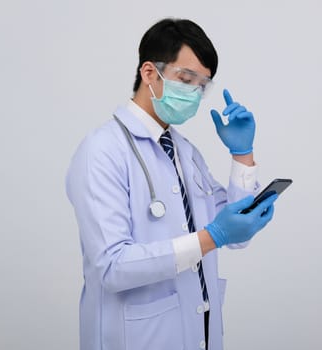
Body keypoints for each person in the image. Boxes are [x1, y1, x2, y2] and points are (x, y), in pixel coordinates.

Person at [65, 18, 277, 350]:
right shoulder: (102, 150)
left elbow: (233, 233)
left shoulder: (185, 153)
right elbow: (110, 267)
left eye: (202, 84)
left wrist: (242, 154)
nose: (194, 92)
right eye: (186, 78)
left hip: (195, 333)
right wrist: (211, 237)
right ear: (150, 73)